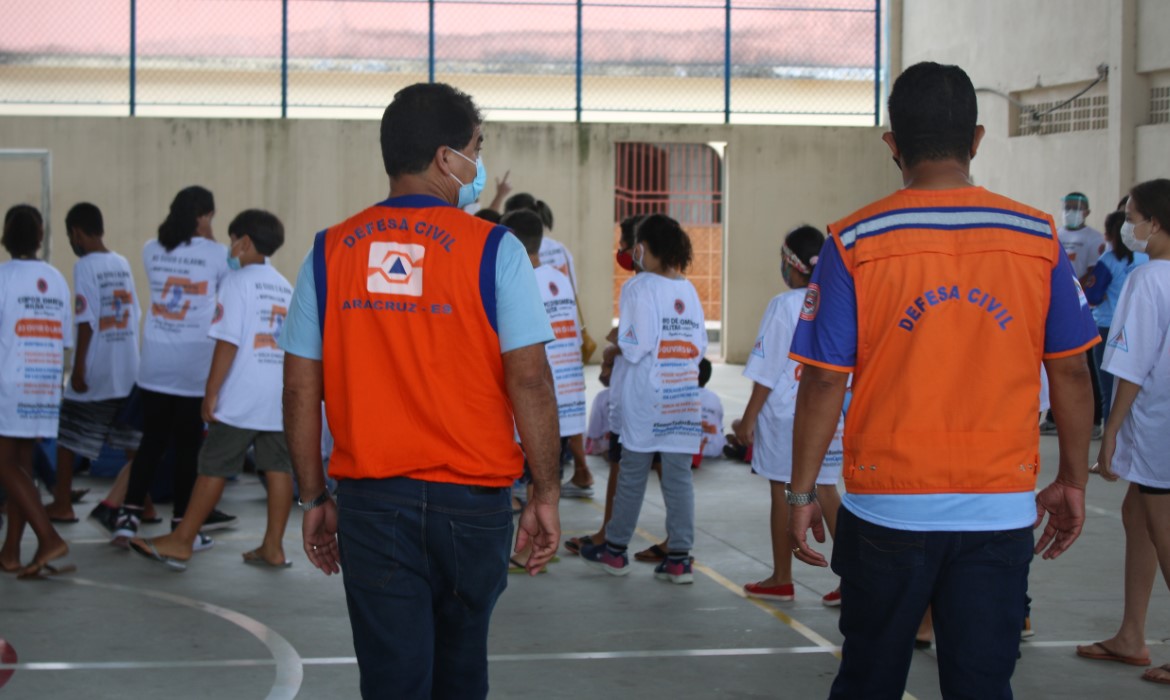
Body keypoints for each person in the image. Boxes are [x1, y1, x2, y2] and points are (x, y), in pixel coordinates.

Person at [787, 62, 1098, 699]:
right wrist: (1070, 479)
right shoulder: (1037, 237)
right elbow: (1069, 369)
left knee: (868, 680)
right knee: (982, 685)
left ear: (892, 143)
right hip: (999, 507)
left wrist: (799, 494)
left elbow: (823, 383)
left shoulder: (853, 240)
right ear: (977, 139)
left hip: (886, 509)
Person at [279, 82, 561, 700]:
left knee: (392, 678)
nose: (478, 165)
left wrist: (312, 496)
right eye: (475, 148)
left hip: (373, 505)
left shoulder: (327, 254)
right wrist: (545, 490)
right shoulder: (495, 250)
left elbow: (301, 389)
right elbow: (531, 379)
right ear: (445, 158)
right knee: (462, 670)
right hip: (474, 505)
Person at [129, 209, 294, 570]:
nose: (229, 249)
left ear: (245, 242)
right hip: (276, 394)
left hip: (242, 394)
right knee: (277, 468)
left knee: (214, 464)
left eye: (233, 241)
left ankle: (182, 539)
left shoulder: (236, 283)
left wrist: (211, 391)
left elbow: (227, 342)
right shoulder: (285, 285)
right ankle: (273, 547)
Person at [1076, 179, 1170, 686]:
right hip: (1162, 422)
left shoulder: (1150, 278)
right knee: (1139, 514)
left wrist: (1110, 431)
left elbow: (1132, 366)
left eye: (1132, 216)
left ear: (1154, 223)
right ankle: (1131, 635)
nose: (1127, 226)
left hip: (1160, 424)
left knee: (1162, 526)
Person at [580, 213, 707, 584]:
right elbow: (699, 347)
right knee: (678, 478)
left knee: (633, 472)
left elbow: (636, 347)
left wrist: (616, 342)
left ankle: (615, 549)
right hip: (683, 395)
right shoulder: (688, 289)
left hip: (647, 397)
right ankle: (680, 558)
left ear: (646, 248)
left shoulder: (639, 288)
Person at [112, 186, 233, 547]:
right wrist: (209, 236)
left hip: (155, 364)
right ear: (204, 217)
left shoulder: (151, 249)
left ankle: (128, 517)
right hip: (193, 366)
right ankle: (183, 523)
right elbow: (224, 297)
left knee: (151, 443)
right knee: (187, 449)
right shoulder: (218, 255)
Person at [735, 225, 843, 605]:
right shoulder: (837, 299)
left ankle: (782, 577)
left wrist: (747, 419)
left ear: (792, 264)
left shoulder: (784, 305)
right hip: (829, 415)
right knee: (827, 488)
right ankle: (854, 579)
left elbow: (766, 371)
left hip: (785, 418)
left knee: (785, 490)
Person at [44, 203, 142, 525]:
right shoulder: (122, 262)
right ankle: (144, 504)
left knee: (68, 438)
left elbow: (86, 320)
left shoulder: (85, 266)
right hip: (126, 370)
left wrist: (80, 366)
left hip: (98, 370)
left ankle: (61, 503)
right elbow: (135, 313)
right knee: (132, 445)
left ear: (76, 233)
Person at [0, 205, 74, 578]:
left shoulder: (3, 278)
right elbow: (66, 338)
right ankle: (10, 552)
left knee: (5, 465)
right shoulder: (56, 278)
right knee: (22, 467)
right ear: (40, 237)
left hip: (10, 382)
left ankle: (48, 537)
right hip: (43, 382)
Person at [503, 209, 591, 498]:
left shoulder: (521, 282)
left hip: (539, 400)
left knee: (536, 489)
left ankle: (534, 542)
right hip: (565, 402)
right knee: (545, 485)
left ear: (511, 239)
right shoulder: (559, 278)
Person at [1040, 191, 1106, 437]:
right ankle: (1054, 417)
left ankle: (1092, 421)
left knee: (1080, 365)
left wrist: (1068, 290)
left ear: (1087, 212)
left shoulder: (1093, 238)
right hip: (1055, 305)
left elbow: (1093, 272)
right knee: (1053, 368)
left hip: (1079, 306)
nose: (1070, 211)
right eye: (1066, 206)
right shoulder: (1055, 233)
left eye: (1076, 207)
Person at [1083, 209, 1148, 426]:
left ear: (1110, 234)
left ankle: (1110, 438)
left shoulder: (1108, 260)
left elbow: (1092, 295)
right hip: (1139, 329)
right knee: (1134, 388)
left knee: (1108, 389)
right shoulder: (1144, 258)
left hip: (1107, 329)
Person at [695, 358, 726, 464]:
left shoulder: (681, 395)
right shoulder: (714, 397)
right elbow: (719, 425)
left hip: (690, 449)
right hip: (715, 450)